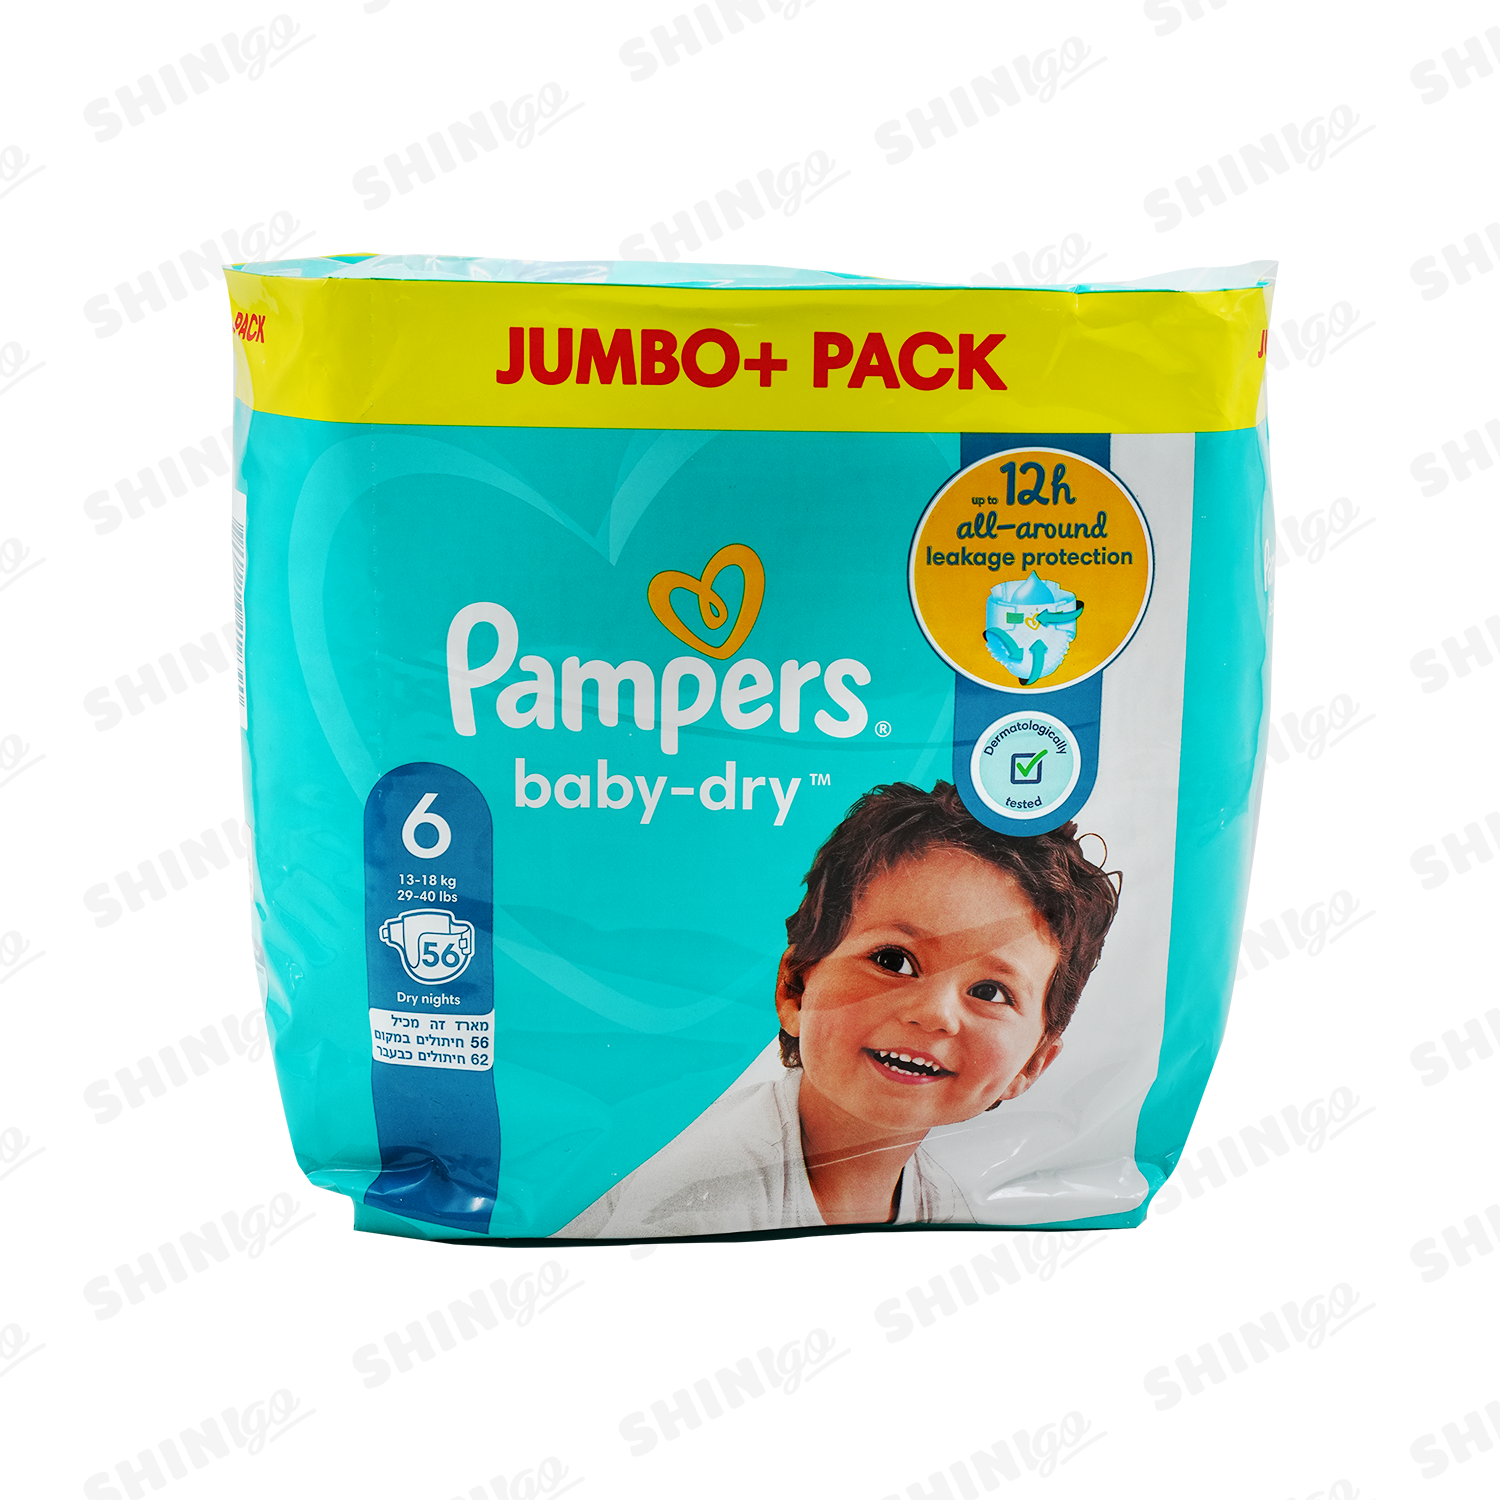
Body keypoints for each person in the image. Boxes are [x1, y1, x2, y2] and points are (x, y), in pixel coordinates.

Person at [559, 781, 1120, 1238]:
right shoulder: (705, 1190)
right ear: (795, 990)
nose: (934, 1014)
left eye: (991, 992)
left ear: (1032, 1064)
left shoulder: (941, 1201)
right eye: (893, 960)